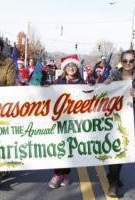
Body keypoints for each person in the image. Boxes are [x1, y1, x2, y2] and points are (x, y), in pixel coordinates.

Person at [104, 49, 135, 197]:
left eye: (131, 61)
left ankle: (113, 176)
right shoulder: (114, 74)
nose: (128, 63)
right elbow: (102, 91)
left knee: (122, 147)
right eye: (125, 60)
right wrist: (106, 84)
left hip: (128, 116)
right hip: (111, 115)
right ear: (121, 61)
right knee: (112, 147)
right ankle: (114, 183)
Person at [48, 54, 85, 189]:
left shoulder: (82, 83)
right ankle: (57, 174)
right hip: (60, 119)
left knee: (70, 147)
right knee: (59, 146)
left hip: (75, 120)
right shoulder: (58, 82)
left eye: (73, 66)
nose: (71, 68)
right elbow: (48, 94)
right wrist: (44, 85)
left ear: (77, 68)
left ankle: (66, 174)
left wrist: (94, 84)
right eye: (68, 66)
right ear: (64, 68)